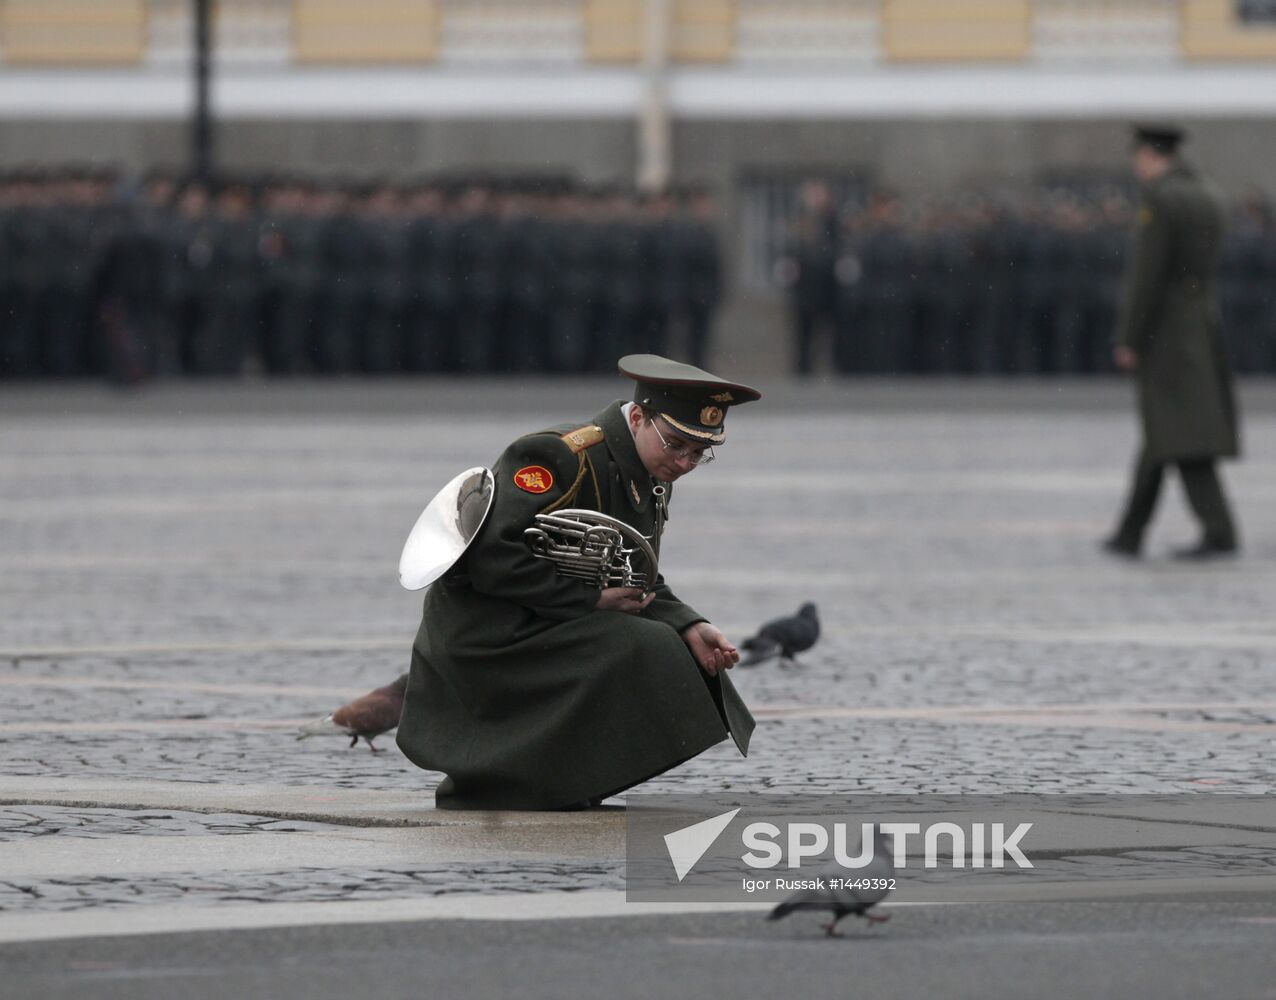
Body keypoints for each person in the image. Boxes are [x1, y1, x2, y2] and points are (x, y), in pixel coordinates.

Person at [396, 354, 759, 809]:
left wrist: (687, 624)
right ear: (640, 418)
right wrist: (590, 599)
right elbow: (492, 559)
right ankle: (514, 780)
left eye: (699, 453)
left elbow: (634, 572)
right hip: (489, 625)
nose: (685, 462)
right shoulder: (557, 456)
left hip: (553, 614)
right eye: (676, 445)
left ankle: (562, 781)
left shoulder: (651, 468)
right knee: (641, 646)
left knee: (673, 645)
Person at [1103, 125, 1241, 560]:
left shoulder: (1162, 200)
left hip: (1167, 330)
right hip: (1199, 320)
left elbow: (1147, 276)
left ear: (1148, 155)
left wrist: (1128, 336)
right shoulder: (1208, 194)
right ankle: (1130, 532)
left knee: (1175, 429)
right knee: (1169, 428)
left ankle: (1216, 530)